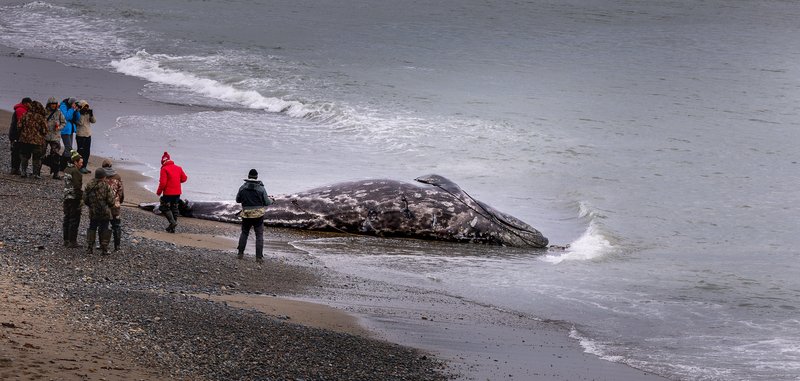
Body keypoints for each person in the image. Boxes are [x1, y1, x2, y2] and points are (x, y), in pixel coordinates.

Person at [235, 169, 273, 262]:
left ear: (248, 177)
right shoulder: (261, 188)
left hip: (246, 214)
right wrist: (272, 200)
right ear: (257, 177)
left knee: (244, 233)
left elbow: (238, 200)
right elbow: (267, 202)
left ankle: (240, 254)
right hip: (258, 216)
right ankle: (259, 258)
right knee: (259, 235)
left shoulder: (242, 188)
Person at [83, 168, 114, 255]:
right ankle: (104, 249)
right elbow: (111, 201)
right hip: (104, 212)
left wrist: (91, 205)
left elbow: (85, 198)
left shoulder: (89, 184)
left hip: (93, 211)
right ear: (103, 177)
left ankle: (90, 248)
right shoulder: (106, 186)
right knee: (104, 228)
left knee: (92, 227)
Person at [156, 151, 187, 233]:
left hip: (168, 192)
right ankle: (172, 228)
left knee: (164, 207)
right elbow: (184, 178)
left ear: (163, 161)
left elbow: (163, 183)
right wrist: (176, 181)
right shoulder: (178, 168)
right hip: (177, 192)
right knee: (174, 208)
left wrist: (158, 192)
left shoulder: (164, 169)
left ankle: (173, 223)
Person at [17, 100, 48, 179]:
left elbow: (19, 126)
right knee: (36, 158)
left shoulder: (25, 115)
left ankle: (23, 172)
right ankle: (35, 174)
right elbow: (45, 130)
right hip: (37, 141)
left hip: (24, 140)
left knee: (24, 156)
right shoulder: (41, 117)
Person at [101, 159, 124, 251]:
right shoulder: (117, 177)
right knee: (116, 225)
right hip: (115, 205)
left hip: (104, 205)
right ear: (111, 166)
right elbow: (121, 192)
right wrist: (119, 201)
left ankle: (104, 245)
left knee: (104, 225)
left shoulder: (101, 176)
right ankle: (117, 246)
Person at [62, 150, 83, 248]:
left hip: (66, 198)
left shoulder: (66, 169)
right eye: (81, 162)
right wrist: (81, 199)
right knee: (74, 220)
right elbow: (77, 187)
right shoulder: (76, 172)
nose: (82, 164)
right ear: (75, 162)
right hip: (74, 199)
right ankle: (72, 241)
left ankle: (66, 239)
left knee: (67, 218)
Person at [9, 97, 32, 175]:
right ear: (25, 103)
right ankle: (14, 168)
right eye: (29, 103)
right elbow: (21, 123)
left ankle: (15, 168)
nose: (30, 105)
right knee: (16, 151)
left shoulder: (22, 109)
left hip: (16, 134)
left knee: (17, 151)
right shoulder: (20, 110)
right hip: (16, 135)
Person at [44, 97, 66, 179]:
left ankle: (55, 174)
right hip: (45, 136)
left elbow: (64, 123)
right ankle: (37, 172)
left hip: (55, 137)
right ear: (49, 104)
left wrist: (59, 127)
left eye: (55, 104)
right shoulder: (44, 112)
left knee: (56, 155)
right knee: (40, 153)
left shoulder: (59, 112)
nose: (53, 105)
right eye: (52, 104)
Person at [58, 98, 80, 174]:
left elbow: (77, 118)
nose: (74, 105)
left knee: (68, 148)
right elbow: (66, 117)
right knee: (69, 148)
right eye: (74, 103)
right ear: (70, 103)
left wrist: (77, 111)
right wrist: (71, 108)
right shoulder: (63, 106)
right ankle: (65, 166)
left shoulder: (72, 108)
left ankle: (61, 166)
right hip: (65, 130)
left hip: (70, 129)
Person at [74, 100, 95, 174]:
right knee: (80, 152)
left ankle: (84, 166)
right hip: (80, 135)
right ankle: (79, 167)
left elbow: (94, 121)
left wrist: (91, 115)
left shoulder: (88, 113)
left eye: (87, 106)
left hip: (88, 135)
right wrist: (82, 114)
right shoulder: (77, 113)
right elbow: (80, 123)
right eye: (85, 107)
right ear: (82, 106)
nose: (86, 108)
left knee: (87, 152)